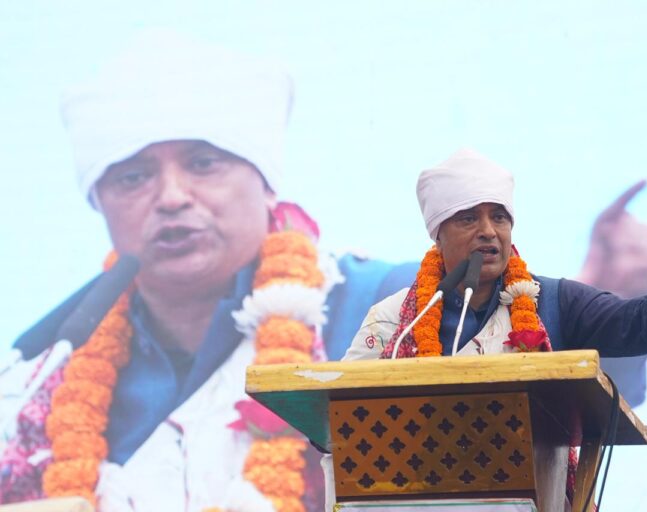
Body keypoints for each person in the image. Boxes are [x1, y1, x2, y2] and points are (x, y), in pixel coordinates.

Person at [0, 31, 415, 512]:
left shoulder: (391, 308)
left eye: (203, 163)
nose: (172, 197)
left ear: (268, 183)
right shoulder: (39, 380)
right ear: (99, 202)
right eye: (134, 177)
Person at [344, 147, 647, 362]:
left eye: (499, 217)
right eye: (469, 219)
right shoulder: (396, 319)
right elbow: (334, 417)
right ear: (438, 237)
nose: (488, 231)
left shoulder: (554, 304)